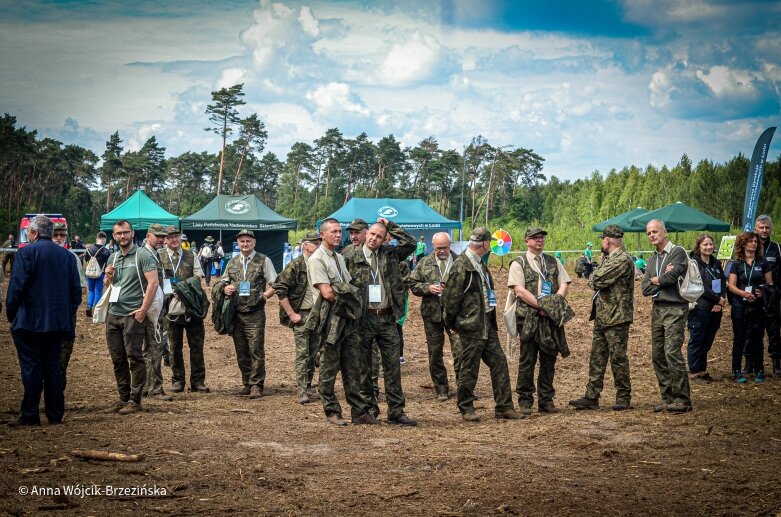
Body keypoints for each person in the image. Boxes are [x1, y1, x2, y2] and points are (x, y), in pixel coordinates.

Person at [5, 216, 81, 426]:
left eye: (29, 231)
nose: (27, 235)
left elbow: (17, 288)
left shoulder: (26, 253)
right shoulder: (67, 256)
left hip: (28, 321)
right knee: (53, 368)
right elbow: (76, 292)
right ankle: (55, 414)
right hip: (57, 323)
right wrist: (67, 313)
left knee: (31, 368)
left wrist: (11, 313)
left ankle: (30, 414)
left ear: (36, 233)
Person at [442, 227, 523, 422]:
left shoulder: (480, 264)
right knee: (469, 368)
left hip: (487, 324)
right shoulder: (461, 266)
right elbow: (450, 300)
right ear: (485, 244)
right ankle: (466, 407)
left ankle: (504, 407)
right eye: (490, 243)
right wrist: (451, 324)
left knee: (499, 363)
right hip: (470, 326)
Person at [343, 219, 418, 426]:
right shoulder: (350, 256)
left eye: (379, 236)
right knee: (365, 366)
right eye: (372, 234)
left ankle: (396, 411)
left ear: (386, 239)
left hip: (386, 318)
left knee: (392, 366)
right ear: (366, 234)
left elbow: (410, 243)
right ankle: (368, 409)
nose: (374, 239)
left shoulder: (390, 255)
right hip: (363, 318)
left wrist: (391, 225)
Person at [307, 218, 371, 426]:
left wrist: (347, 292)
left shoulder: (338, 257)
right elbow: (328, 293)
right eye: (333, 231)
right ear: (322, 234)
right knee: (328, 367)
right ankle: (332, 410)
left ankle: (359, 412)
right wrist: (350, 295)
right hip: (330, 319)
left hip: (346, 318)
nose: (338, 235)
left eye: (339, 231)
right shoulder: (317, 259)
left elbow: (346, 285)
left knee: (352, 365)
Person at [569, 225, 634, 411]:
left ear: (607, 240)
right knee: (597, 357)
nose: (601, 243)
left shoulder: (621, 260)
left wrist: (593, 276)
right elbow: (596, 278)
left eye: (602, 240)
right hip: (603, 314)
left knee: (618, 358)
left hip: (617, 316)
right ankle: (591, 396)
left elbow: (595, 280)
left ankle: (623, 396)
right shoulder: (610, 258)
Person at [509, 226, 573, 415]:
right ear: (526, 241)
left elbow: (564, 283)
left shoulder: (553, 261)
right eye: (535, 238)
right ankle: (525, 400)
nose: (539, 240)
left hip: (550, 319)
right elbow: (519, 290)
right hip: (528, 318)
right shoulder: (518, 263)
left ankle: (546, 400)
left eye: (542, 237)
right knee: (527, 359)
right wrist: (542, 305)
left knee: (549, 359)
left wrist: (555, 302)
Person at [103, 220, 160, 414]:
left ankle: (135, 400)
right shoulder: (114, 256)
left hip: (133, 315)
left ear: (133, 233)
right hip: (113, 314)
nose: (122, 236)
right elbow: (108, 285)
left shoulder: (143, 255)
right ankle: (123, 398)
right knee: (117, 358)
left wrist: (143, 310)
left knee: (134, 357)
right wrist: (108, 276)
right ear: (114, 236)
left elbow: (153, 283)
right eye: (118, 233)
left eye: (126, 232)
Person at [217, 229, 277, 399]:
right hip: (236, 312)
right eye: (242, 241)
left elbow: (276, 283)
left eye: (248, 241)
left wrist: (264, 296)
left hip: (255, 313)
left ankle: (257, 385)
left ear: (254, 243)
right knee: (241, 349)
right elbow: (224, 280)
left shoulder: (263, 260)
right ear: (238, 243)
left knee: (255, 349)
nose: (245, 244)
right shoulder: (233, 262)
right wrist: (225, 287)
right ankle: (247, 382)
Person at [641, 219, 692, 413]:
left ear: (665, 232)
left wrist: (657, 279)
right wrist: (659, 279)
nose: (652, 235)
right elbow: (645, 288)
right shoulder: (653, 258)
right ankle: (668, 397)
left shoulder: (677, 252)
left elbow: (672, 277)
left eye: (655, 231)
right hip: (658, 309)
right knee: (658, 355)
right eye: (649, 233)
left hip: (676, 308)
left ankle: (682, 399)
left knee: (672, 352)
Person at [406, 232, 462, 401]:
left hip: (456, 314)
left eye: (444, 247)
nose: (442, 251)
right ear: (433, 246)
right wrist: (428, 288)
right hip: (432, 315)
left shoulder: (460, 262)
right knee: (435, 353)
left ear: (450, 245)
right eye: (438, 248)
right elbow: (412, 283)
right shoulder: (425, 262)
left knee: (460, 351)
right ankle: (441, 388)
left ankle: (463, 388)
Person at [272, 231, 322, 404]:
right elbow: (279, 287)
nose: (318, 246)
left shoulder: (320, 263)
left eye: (319, 243)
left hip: (318, 314)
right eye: (315, 243)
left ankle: (308, 386)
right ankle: (301, 390)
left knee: (314, 353)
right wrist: (292, 314)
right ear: (305, 245)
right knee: (303, 353)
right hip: (302, 314)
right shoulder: (296, 265)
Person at [160, 226, 209, 394]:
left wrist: (183, 289)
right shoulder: (160, 256)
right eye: (170, 237)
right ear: (165, 239)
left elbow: (198, 276)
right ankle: (177, 380)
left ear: (181, 238)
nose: (174, 239)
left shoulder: (191, 255)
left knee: (197, 345)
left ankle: (198, 381)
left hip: (191, 307)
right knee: (174, 347)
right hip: (170, 307)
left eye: (176, 236)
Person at [727, 231, 773, 383]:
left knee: (757, 338)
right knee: (739, 338)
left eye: (755, 241)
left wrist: (763, 290)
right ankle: (736, 371)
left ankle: (759, 370)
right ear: (743, 243)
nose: (754, 243)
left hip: (758, 306)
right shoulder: (737, 263)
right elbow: (731, 286)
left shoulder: (763, 262)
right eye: (750, 241)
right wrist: (743, 294)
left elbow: (770, 284)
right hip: (740, 305)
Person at [138, 224, 172, 402]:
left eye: (162, 236)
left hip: (157, 308)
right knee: (154, 348)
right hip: (149, 308)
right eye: (157, 236)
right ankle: (154, 388)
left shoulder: (156, 255)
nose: (161, 239)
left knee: (152, 349)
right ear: (148, 235)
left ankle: (146, 386)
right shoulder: (144, 255)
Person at [687, 234, 726, 383]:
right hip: (700, 308)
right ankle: (695, 372)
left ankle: (702, 370)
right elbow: (700, 285)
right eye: (705, 245)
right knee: (697, 339)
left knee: (707, 340)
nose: (709, 247)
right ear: (699, 246)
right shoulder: (694, 264)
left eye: (710, 244)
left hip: (715, 308)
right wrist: (717, 298)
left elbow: (722, 281)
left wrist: (719, 301)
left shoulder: (716, 263)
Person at [52, 223, 87, 390]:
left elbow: (81, 289)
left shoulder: (72, 258)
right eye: (55, 234)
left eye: (62, 234)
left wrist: (69, 309)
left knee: (61, 363)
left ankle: (57, 400)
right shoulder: (38, 255)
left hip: (65, 320)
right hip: (40, 321)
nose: (59, 238)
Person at [754, 215, 781, 376]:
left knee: (774, 330)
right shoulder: (750, 247)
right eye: (761, 227)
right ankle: (750, 363)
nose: (764, 230)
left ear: (770, 229)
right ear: (755, 229)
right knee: (752, 331)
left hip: (772, 296)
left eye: (767, 227)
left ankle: (777, 362)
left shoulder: (777, 248)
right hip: (753, 296)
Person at [85, 231, 111, 318]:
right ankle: (96, 309)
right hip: (100, 274)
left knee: (91, 291)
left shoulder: (89, 249)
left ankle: (89, 307)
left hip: (90, 273)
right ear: (104, 239)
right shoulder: (106, 251)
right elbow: (108, 263)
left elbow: (86, 259)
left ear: (97, 238)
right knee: (98, 291)